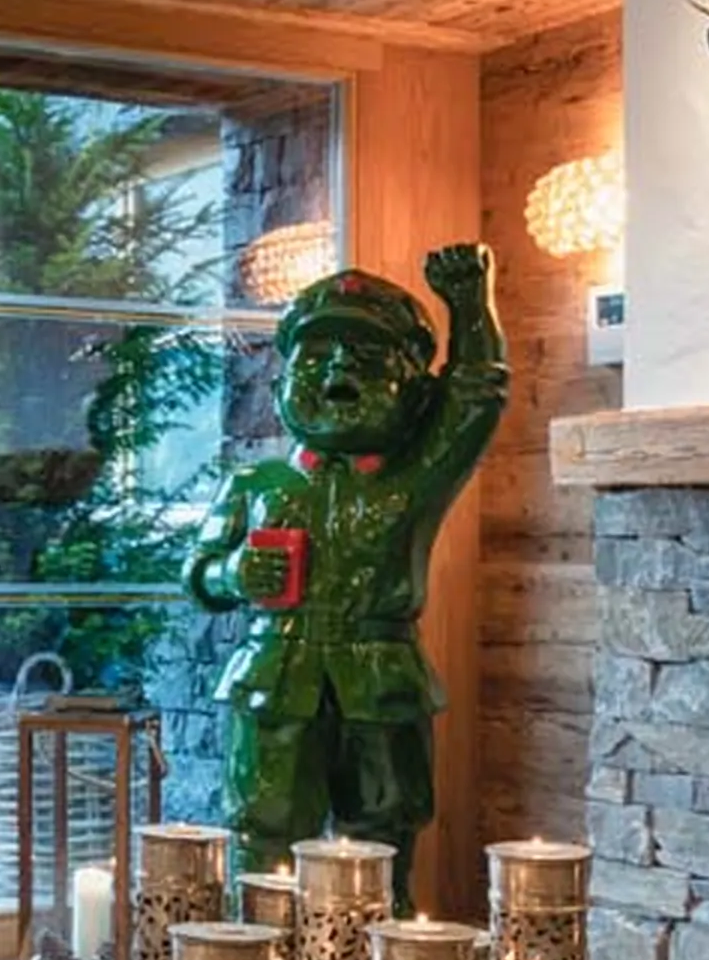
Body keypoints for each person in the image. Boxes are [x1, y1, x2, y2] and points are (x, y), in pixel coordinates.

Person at [183, 243, 507, 908]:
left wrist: (470, 303)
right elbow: (198, 573)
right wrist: (237, 572)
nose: (336, 368)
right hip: (273, 678)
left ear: (416, 394)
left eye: (364, 357)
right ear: (278, 388)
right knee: (264, 830)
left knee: (382, 834)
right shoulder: (256, 482)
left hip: (380, 681)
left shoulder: (413, 479)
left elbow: (477, 393)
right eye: (316, 355)